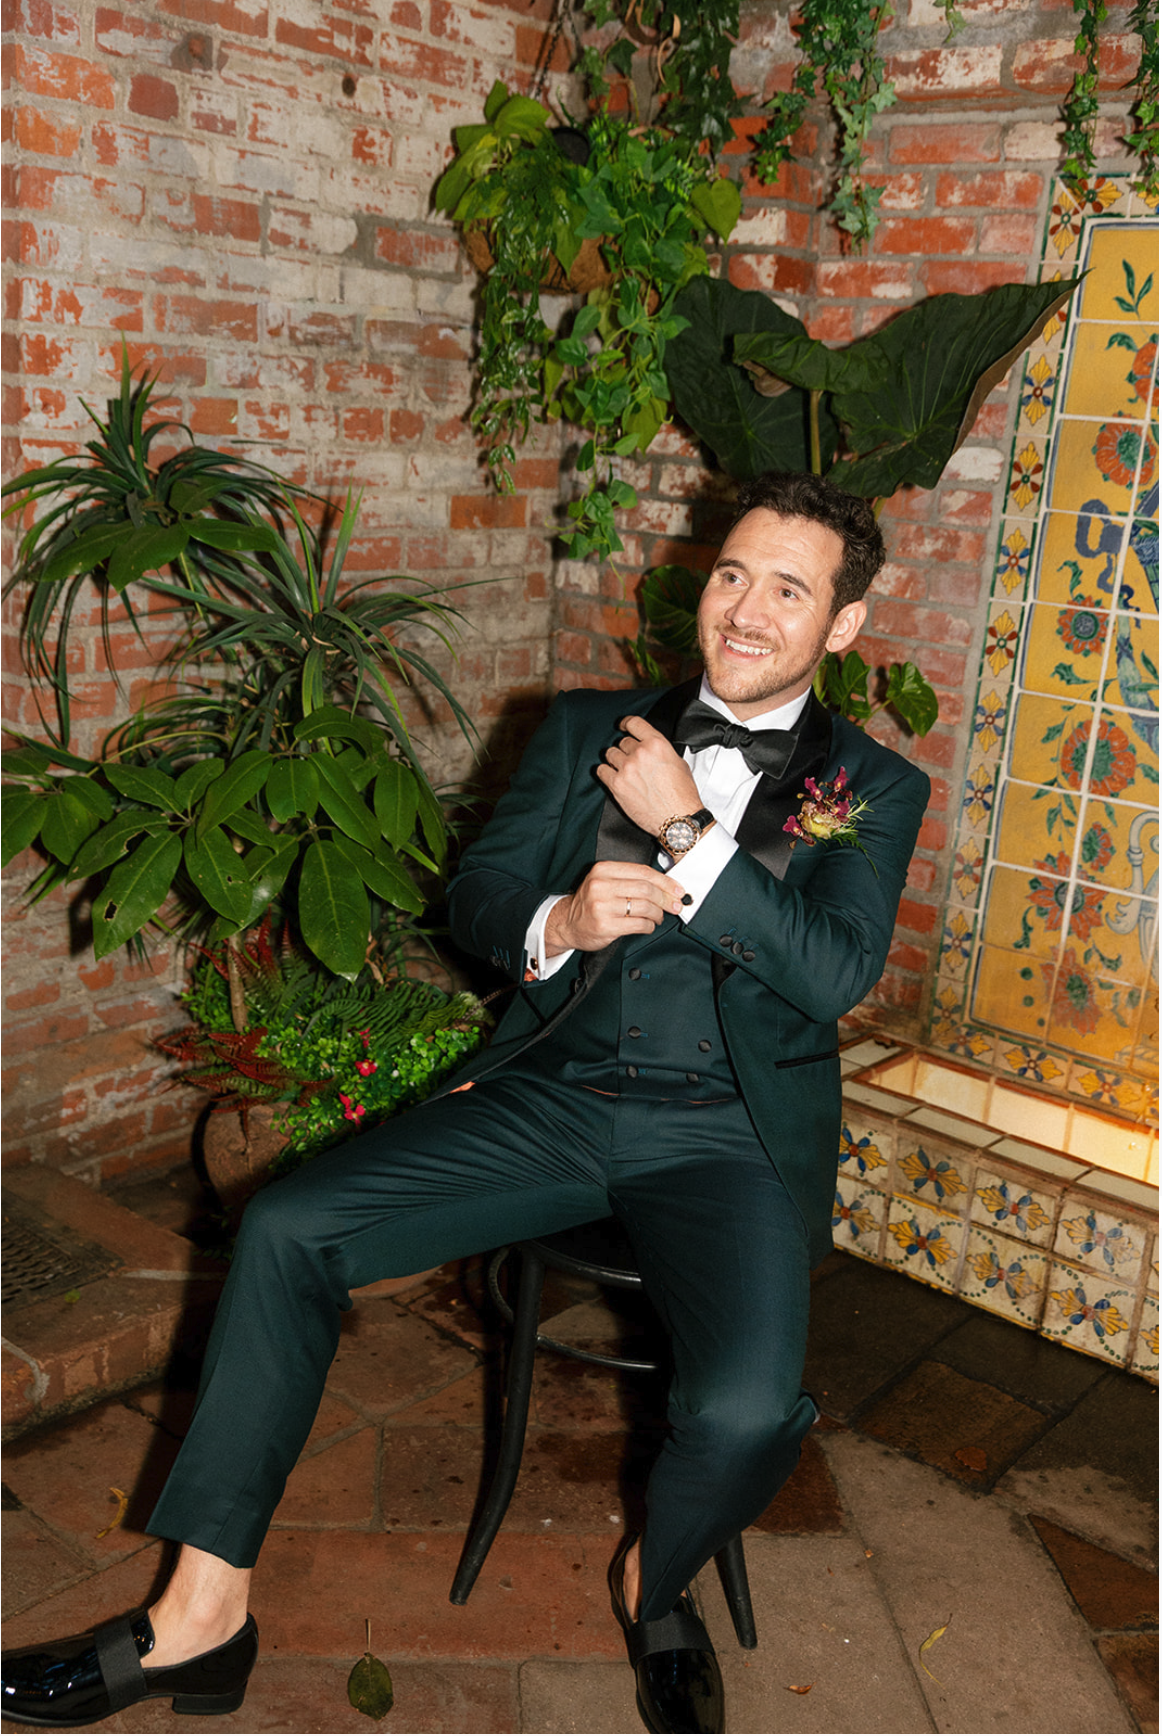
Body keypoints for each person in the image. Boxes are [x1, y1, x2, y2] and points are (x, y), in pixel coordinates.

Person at [1, 471, 930, 1735]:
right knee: (287, 1229)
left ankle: (650, 1579)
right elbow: (477, 897)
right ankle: (200, 1617)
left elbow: (831, 972)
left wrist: (689, 837)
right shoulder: (581, 725)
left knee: (748, 1410)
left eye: (788, 588)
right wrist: (556, 918)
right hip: (553, 1097)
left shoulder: (873, 785)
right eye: (730, 573)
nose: (746, 610)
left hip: (729, 1135)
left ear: (844, 625)